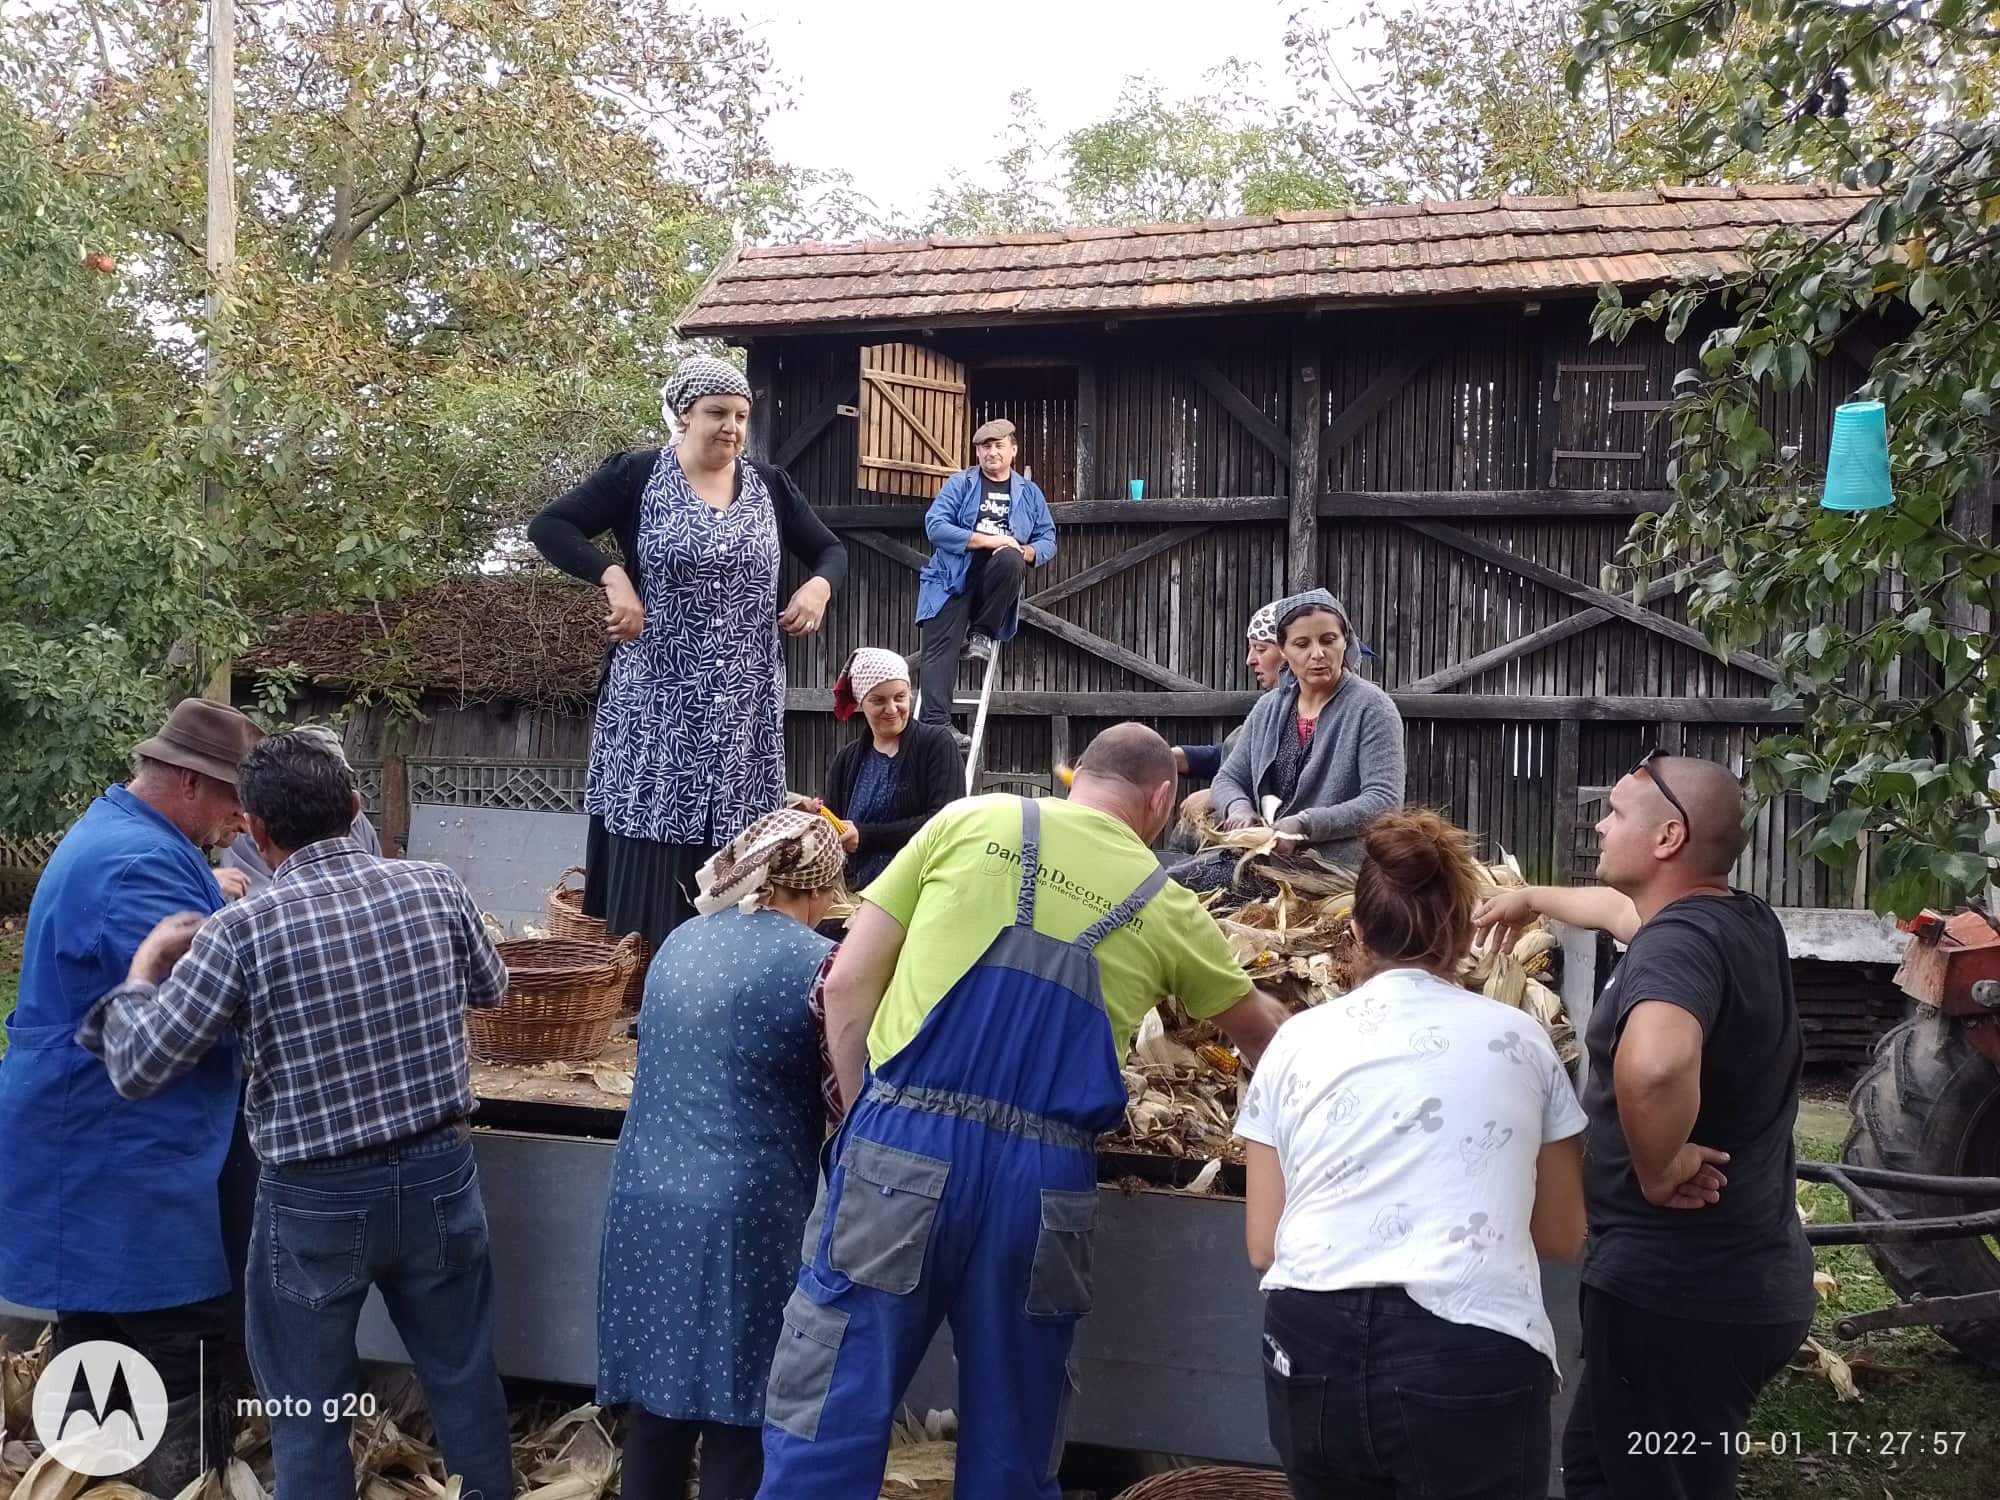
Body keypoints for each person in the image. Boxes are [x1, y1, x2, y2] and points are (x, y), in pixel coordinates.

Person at [757, 724, 1292, 1500]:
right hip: (1042, 1185)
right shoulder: (1168, 904)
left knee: (834, 1397)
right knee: (1018, 1424)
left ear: (1077, 778)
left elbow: (844, 985)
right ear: (1163, 799)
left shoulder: (967, 821)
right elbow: (1270, 1041)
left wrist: (866, 1117)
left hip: (898, 1145)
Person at [80, 732, 516, 1500]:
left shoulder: (240, 932)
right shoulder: (437, 886)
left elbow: (139, 1067)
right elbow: (492, 988)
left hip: (316, 1199)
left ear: (254, 829)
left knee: (307, 1411)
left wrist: (147, 964)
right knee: (464, 1377)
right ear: (354, 810)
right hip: (441, 1176)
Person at [1472, 753, 1815, 1500]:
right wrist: (1530, 896)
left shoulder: (1679, 945)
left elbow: (1654, 1066)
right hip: (1739, 1280)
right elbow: (1620, 914)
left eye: (1618, 812)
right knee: (1600, 1472)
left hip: (1681, 1301)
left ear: (1668, 839)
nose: (1600, 822)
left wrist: (1659, 1169)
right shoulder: (1736, 919)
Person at [1237, 810, 1587, 1500]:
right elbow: (1561, 1234)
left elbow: (1261, 1245)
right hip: (1471, 1352)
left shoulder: (1296, 1042)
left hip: (1312, 1351)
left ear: (1356, 932)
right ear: (1463, 935)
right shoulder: (1521, 1040)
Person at [0, 698, 260, 1494]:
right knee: (172, 1334)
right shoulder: (138, 864)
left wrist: (215, 900)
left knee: (96, 1325)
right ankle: (164, 1480)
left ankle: (86, 1476)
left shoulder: (128, 837)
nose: (238, 819)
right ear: (188, 782)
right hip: (119, 1146)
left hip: (99, 1135)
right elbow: (191, 1013)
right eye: (228, 800)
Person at [528, 355, 849, 948]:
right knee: (656, 840)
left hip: (742, 705)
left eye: (741, 416)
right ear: (683, 415)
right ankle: (648, 985)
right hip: (657, 702)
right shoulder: (639, 475)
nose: (731, 427)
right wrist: (612, 575)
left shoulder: (770, 487)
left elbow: (832, 551)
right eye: (717, 413)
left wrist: (818, 584)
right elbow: (550, 527)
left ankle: (722, 973)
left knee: (735, 846)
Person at [598, 810, 847, 1500]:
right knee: (741, 1408)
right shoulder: (819, 965)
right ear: (817, 889)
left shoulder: (682, 940)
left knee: (661, 1399)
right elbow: (846, 1100)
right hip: (747, 1209)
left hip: (646, 1195)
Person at [1174, 589, 1406, 890]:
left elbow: (1383, 802)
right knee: (1167, 889)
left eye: (1328, 640)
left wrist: (1305, 825)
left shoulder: (1371, 707)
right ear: (1283, 649)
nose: (1317, 654)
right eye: (1301, 644)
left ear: (1345, 641)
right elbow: (1229, 777)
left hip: (1331, 871)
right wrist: (1238, 808)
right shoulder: (1270, 708)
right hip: (1261, 859)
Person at [913, 418, 1056, 741]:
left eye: (998, 445)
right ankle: (937, 727)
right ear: (977, 452)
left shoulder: (1029, 493)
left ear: (1013, 451)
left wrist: (1026, 551)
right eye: (984, 447)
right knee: (939, 648)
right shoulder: (960, 484)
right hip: (950, 577)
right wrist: (992, 540)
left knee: (1011, 559)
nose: (991, 452)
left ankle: (981, 632)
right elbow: (935, 526)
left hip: (995, 578)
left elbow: (1048, 538)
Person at [821, 648, 961, 888]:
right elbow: (834, 829)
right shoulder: (846, 761)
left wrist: (866, 836)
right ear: (861, 702)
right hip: (855, 893)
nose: (892, 708)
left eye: (900, 697)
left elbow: (947, 823)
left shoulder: (936, 744)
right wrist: (819, 818)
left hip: (920, 889)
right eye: (878, 700)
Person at [1166, 601, 1283, 848]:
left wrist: (1217, 796)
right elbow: (1235, 755)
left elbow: (1288, 779)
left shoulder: (1309, 715)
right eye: (1251, 649)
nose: (1250, 660)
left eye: (1260, 649)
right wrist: (1174, 757)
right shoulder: (1270, 708)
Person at [219, 724, 380, 890]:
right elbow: (254, 896)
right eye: (313, 781)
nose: (325, 791)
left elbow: (375, 878)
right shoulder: (255, 828)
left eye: (333, 779)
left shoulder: (358, 821)